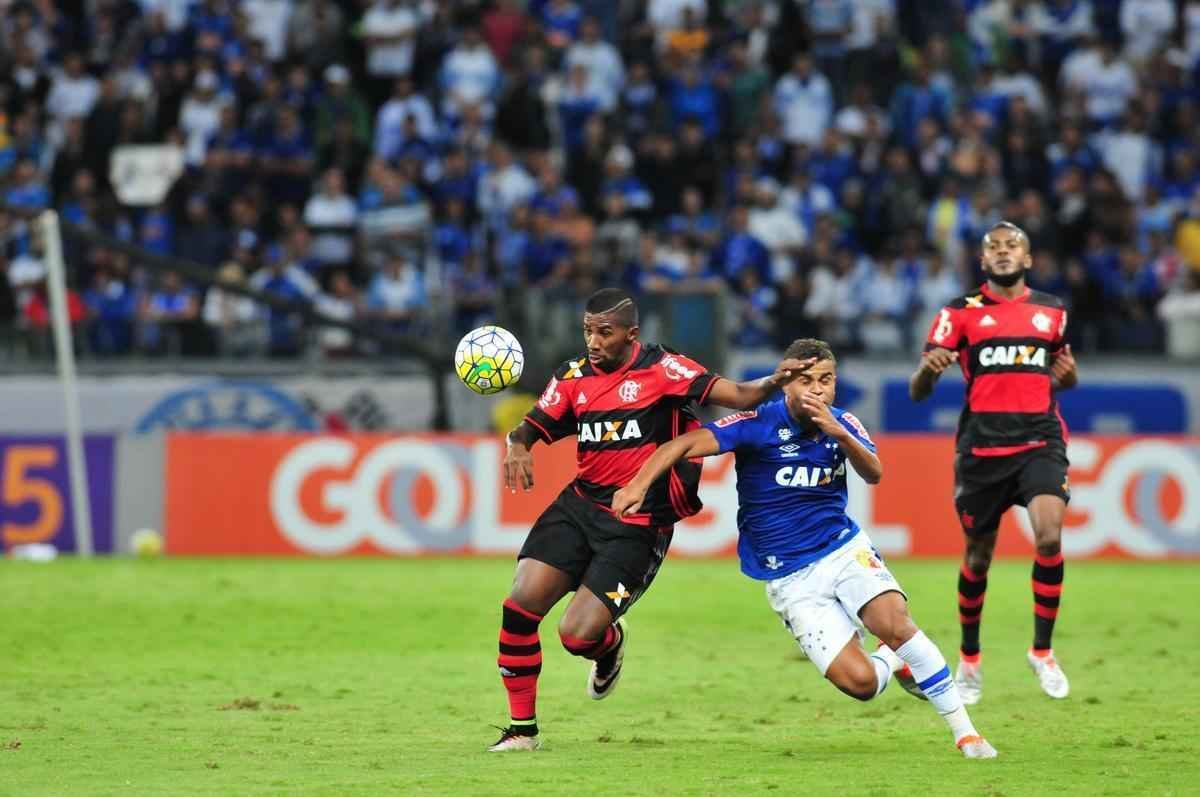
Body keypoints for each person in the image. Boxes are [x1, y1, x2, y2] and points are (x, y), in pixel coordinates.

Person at [612, 338, 997, 759]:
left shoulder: (844, 422)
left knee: (895, 623)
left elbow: (874, 473)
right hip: (789, 577)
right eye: (807, 380)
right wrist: (637, 484)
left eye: (826, 380)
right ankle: (894, 664)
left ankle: (967, 734)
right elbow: (680, 445)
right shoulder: (756, 423)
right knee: (862, 685)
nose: (818, 390)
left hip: (843, 549)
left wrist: (839, 433)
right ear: (786, 385)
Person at [490, 287, 811, 751]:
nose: (594, 341)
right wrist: (517, 444)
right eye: (588, 331)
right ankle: (523, 731)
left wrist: (774, 381)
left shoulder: (663, 369)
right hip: (579, 507)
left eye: (605, 332)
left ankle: (608, 645)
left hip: (637, 526)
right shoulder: (573, 377)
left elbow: (739, 394)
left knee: (576, 636)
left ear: (631, 334)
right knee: (519, 607)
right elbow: (535, 424)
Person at [909, 221, 1078, 705]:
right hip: (981, 451)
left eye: (1013, 246)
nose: (1003, 253)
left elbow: (1062, 373)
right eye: (994, 248)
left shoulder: (1051, 311)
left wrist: (1071, 374)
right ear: (984, 262)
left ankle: (1042, 652)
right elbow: (918, 393)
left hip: (1039, 443)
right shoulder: (958, 313)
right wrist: (926, 370)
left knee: (1049, 534)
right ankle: (970, 660)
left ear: (1027, 259)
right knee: (978, 558)